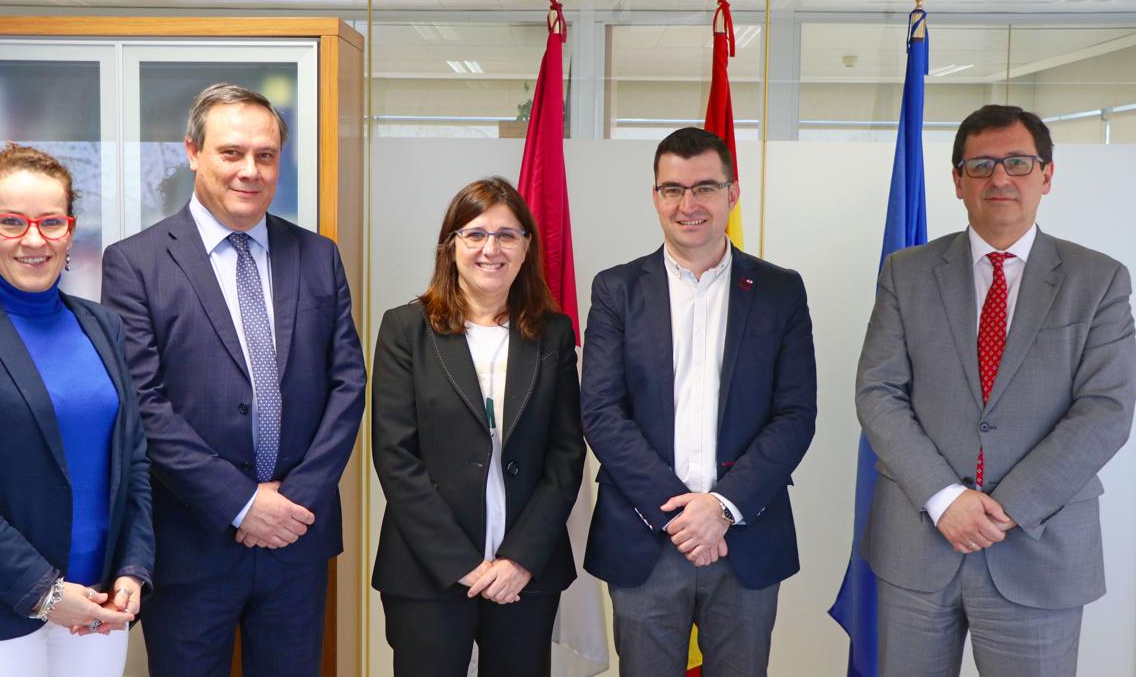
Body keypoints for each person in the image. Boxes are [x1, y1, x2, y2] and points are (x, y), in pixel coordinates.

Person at [856, 104, 1136, 676]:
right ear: (957, 180)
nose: (1000, 178)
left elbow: (1106, 410)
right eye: (980, 165)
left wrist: (1004, 509)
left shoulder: (1099, 280)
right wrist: (946, 498)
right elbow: (878, 392)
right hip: (918, 545)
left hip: (1040, 546)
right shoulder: (906, 273)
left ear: (1046, 175)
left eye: (1017, 162)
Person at [100, 83, 366, 677]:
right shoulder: (136, 263)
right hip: (192, 542)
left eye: (266, 155)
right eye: (232, 152)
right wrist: (243, 503)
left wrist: (292, 502)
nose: (250, 170)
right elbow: (142, 402)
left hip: (298, 541)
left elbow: (348, 385)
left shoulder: (318, 256)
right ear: (192, 152)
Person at [581, 127, 817, 675]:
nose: (688, 205)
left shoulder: (781, 290)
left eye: (705, 188)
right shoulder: (615, 290)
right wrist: (681, 513)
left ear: (732, 195)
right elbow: (601, 410)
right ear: (656, 196)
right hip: (644, 537)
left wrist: (720, 508)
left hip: (745, 537)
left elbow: (794, 414)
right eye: (672, 190)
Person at [371, 177, 586, 677]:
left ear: (527, 246)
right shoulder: (406, 329)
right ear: (451, 245)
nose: (492, 248)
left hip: (525, 574)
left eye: (508, 235)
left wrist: (520, 559)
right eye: (475, 234)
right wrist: (458, 563)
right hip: (428, 571)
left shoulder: (553, 332)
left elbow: (565, 455)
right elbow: (395, 456)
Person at [0, 143, 153, 676]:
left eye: (51, 222)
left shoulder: (103, 327)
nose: (34, 240)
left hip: (98, 606)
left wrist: (133, 569)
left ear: (69, 229)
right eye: (12, 222)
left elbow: (132, 462)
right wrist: (45, 592)